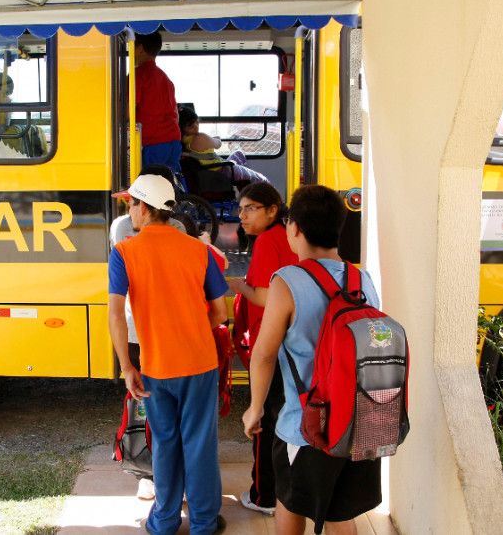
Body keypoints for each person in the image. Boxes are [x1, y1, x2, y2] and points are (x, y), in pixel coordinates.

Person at [242, 185, 382, 535]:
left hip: (305, 426)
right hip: (356, 418)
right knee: (339, 511)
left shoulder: (287, 281)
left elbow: (263, 354)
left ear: (294, 228)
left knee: (290, 502)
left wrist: (255, 407)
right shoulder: (361, 278)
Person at [109, 173, 229, 535]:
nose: (129, 210)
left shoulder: (124, 253)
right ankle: (204, 522)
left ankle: (163, 522)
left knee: (164, 440)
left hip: (157, 366)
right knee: (200, 442)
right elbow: (221, 312)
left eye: (131, 203)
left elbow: (115, 313)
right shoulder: (198, 250)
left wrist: (126, 365)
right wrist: (190, 330)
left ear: (144, 208)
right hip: (200, 362)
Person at [109, 165, 187, 502]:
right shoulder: (121, 229)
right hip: (137, 331)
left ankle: (169, 473)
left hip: (165, 331)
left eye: (133, 201)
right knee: (143, 402)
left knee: (169, 407)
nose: (130, 208)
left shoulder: (177, 227)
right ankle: (147, 469)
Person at [226, 182, 297, 516]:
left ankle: (263, 495)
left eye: (249, 208)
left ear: (272, 210)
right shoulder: (290, 237)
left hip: (271, 345)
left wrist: (239, 286)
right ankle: (283, 493)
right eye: (240, 209)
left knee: (263, 421)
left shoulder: (269, 240)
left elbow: (268, 299)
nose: (242, 216)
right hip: (294, 345)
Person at [178, 106, 269, 184]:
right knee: (262, 179)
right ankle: (243, 180)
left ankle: (242, 183)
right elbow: (218, 143)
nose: (196, 126)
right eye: (191, 126)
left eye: (196, 122)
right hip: (222, 171)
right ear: (182, 128)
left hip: (218, 167)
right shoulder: (199, 138)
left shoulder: (184, 141)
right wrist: (216, 138)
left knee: (238, 154)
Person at [133, 33, 182, 172]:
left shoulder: (137, 75)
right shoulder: (166, 79)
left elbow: (127, 112)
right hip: (174, 141)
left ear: (139, 48)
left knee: (146, 189)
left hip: (153, 142)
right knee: (163, 185)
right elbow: (176, 116)